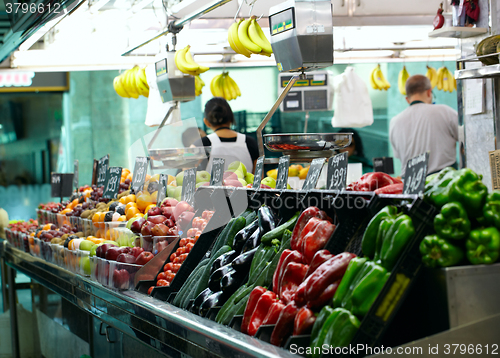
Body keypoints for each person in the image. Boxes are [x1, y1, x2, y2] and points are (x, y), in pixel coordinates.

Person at [389, 75, 458, 177]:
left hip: (410, 186)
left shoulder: (394, 122)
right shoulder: (445, 112)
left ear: (407, 99)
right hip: (443, 182)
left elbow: (399, 156)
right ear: (429, 92)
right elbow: (467, 141)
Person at [193, 98, 259, 173]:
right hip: (246, 185)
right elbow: (259, 178)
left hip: (208, 185)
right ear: (231, 118)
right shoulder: (250, 142)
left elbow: (186, 173)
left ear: (206, 122)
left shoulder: (201, 143)